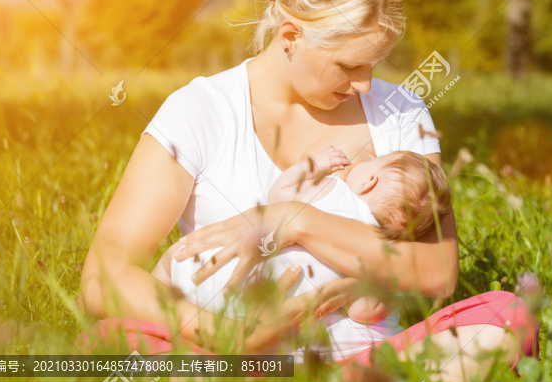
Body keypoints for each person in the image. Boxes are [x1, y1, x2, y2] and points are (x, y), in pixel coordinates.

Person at [76, 0, 539, 382]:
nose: (364, 85)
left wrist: (296, 221)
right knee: (119, 346)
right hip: (231, 362)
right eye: (348, 66)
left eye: (374, 65)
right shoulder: (201, 110)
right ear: (292, 35)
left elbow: (436, 271)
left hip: (364, 363)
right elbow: (105, 275)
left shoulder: (402, 113)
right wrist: (228, 333)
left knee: (504, 318)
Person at [150, 145, 452, 362]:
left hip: (213, 278)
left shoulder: (334, 192)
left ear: (369, 181)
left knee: (172, 269)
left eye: (378, 160)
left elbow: (279, 193)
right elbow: (364, 311)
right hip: (266, 322)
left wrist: (314, 165)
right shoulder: (378, 251)